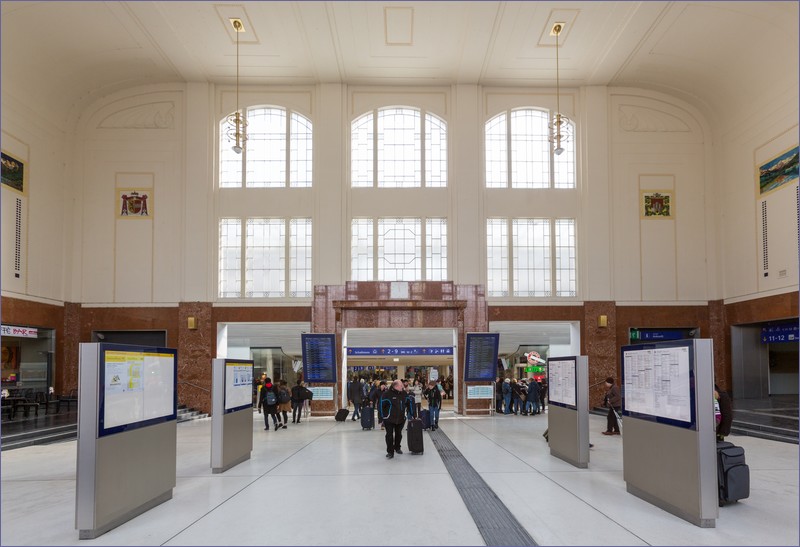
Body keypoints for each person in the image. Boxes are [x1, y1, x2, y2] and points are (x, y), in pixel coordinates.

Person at [380, 379, 407, 459]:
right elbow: (381, 406)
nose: (402, 386)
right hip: (389, 419)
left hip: (401, 419)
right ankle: (390, 452)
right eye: (401, 385)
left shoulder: (403, 393)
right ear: (396, 386)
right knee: (389, 435)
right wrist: (382, 417)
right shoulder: (386, 394)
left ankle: (397, 447)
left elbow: (409, 402)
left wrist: (412, 414)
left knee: (399, 434)